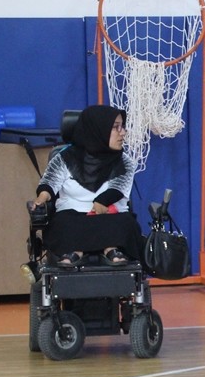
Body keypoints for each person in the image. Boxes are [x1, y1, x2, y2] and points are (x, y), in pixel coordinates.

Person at [30, 105, 143, 266]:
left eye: (122, 126)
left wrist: (101, 203)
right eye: (116, 127)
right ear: (98, 130)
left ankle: (104, 248)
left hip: (109, 214)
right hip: (72, 214)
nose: (123, 132)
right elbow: (49, 183)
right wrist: (41, 198)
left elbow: (117, 188)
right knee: (62, 224)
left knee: (125, 224)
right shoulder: (64, 158)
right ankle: (84, 249)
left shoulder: (124, 161)